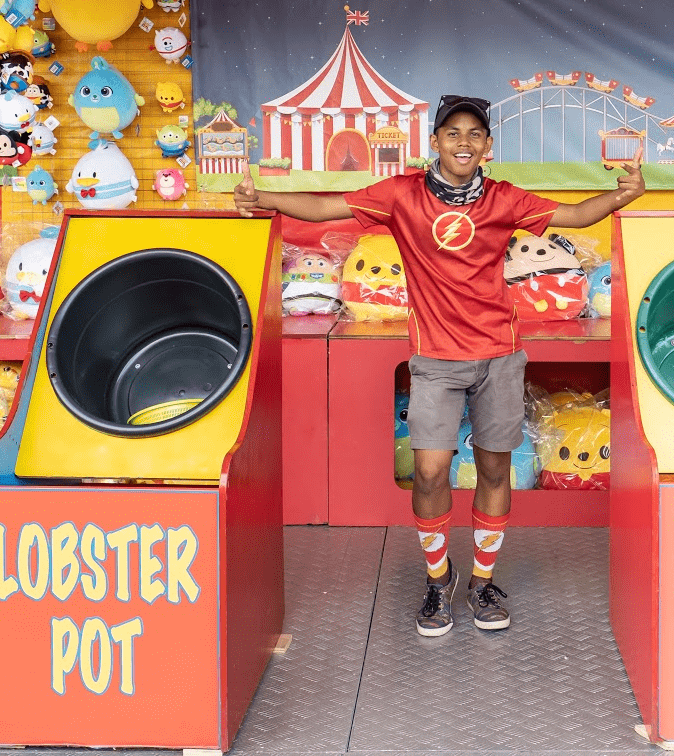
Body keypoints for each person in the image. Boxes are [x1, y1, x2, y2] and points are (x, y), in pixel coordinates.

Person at [234, 94, 644, 636]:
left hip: (498, 355)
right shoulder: (401, 195)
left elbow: (573, 215)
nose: (464, 142)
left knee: (495, 469)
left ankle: (482, 581)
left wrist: (622, 195)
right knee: (429, 471)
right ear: (435, 142)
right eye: (453, 133)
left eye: (475, 134)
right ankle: (437, 579)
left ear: (488, 145)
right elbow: (328, 207)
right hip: (435, 359)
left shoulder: (504, 198)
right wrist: (262, 197)